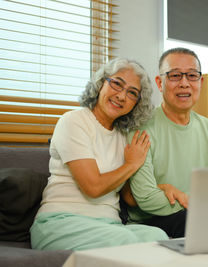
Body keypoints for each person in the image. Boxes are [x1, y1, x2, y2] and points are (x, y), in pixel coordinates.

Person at [30, 58, 169, 251]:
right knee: (126, 241)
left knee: (159, 237)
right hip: (61, 222)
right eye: (117, 84)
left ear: (136, 103)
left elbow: (129, 198)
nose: (121, 96)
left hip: (109, 226)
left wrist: (164, 189)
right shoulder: (74, 121)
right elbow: (93, 187)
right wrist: (131, 164)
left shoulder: (123, 137)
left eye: (132, 93)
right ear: (101, 83)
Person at [122, 48, 208, 238]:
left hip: (198, 213)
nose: (184, 83)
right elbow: (146, 198)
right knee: (206, 222)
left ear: (201, 82)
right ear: (159, 83)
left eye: (192, 75)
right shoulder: (141, 129)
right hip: (150, 222)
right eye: (175, 76)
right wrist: (200, 201)